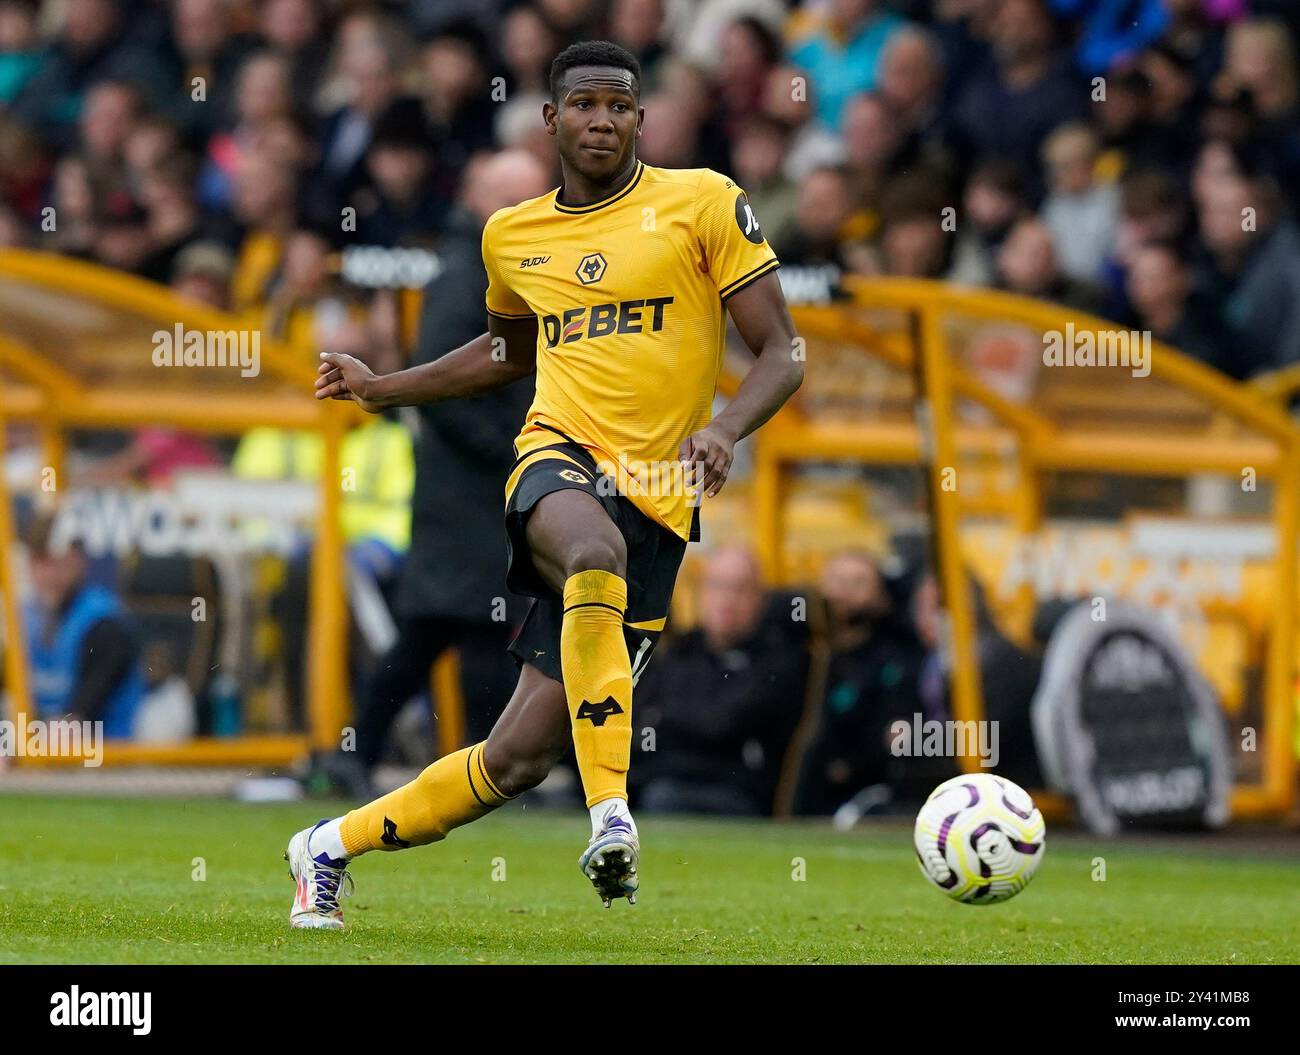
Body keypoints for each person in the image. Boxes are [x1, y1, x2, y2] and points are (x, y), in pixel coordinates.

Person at [289, 39, 803, 926]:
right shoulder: (512, 233)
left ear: (640, 118)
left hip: (660, 499)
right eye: (584, 104)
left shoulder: (704, 203)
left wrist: (724, 428)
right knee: (590, 545)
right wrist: (386, 386)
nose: (601, 119)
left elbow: (785, 350)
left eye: (618, 105)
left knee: (518, 756)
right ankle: (613, 814)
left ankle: (325, 847)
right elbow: (506, 350)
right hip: (557, 460)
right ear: (551, 119)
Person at [318, 149, 550, 798]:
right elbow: (444, 377)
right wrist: (515, 449)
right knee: (469, 620)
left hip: (471, 485)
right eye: (521, 197)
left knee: (440, 625)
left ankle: (369, 751)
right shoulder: (467, 272)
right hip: (468, 489)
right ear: (483, 200)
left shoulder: (489, 264)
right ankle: (484, 769)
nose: (535, 210)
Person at [631, 545, 807, 816]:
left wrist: (668, 720)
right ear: (702, 593)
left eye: (740, 589)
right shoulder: (679, 651)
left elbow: (720, 724)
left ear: (760, 598)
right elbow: (641, 721)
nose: (727, 599)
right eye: (718, 586)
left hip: (737, 796)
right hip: (657, 782)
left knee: (662, 799)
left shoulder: (779, 661)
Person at [22, 514, 144, 739]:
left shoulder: (105, 625)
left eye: (59, 563)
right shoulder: (25, 620)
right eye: (41, 562)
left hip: (109, 764)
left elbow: (76, 720)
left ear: (79, 562)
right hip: (49, 761)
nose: (49, 575)